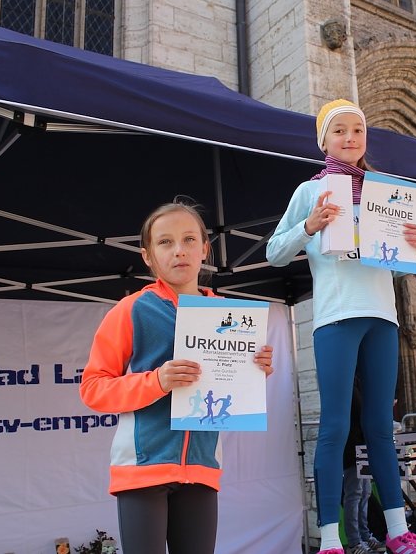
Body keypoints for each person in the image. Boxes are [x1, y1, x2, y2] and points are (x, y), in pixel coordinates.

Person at [267, 99, 416, 554]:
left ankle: (399, 533)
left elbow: (396, 267)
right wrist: (309, 224)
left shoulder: (385, 193)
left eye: (357, 131)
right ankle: (329, 541)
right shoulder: (310, 191)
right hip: (335, 317)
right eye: (338, 130)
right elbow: (274, 252)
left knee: (382, 426)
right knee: (335, 427)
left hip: (382, 317)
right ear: (323, 140)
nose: (349, 138)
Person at [79, 199, 275, 554]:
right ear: (148, 256)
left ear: (205, 249)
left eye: (188, 240)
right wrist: (157, 382)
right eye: (165, 242)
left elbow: (231, 392)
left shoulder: (229, 316)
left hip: (201, 469)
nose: (179, 251)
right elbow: (93, 389)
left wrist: (253, 370)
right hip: (142, 469)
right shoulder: (131, 310)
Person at [343, 382, 387, 554]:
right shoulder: (350, 386)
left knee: (365, 493)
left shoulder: (360, 384)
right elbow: (358, 413)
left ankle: (365, 535)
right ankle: (354, 542)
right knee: (354, 494)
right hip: (353, 446)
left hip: (364, 444)